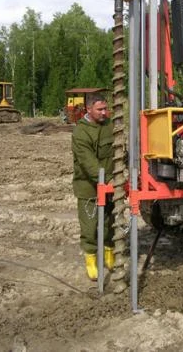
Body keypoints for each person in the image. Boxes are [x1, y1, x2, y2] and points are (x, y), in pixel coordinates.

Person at [72, 92, 115, 280]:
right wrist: (104, 180)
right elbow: (88, 162)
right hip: (88, 186)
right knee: (90, 226)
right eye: (100, 109)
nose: (104, 113)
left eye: (106, 108)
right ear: (89, 109)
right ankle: (91, 259)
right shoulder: (80, 132)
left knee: (109, 222)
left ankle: (108, 252)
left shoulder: (110, 126)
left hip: (111, 183)